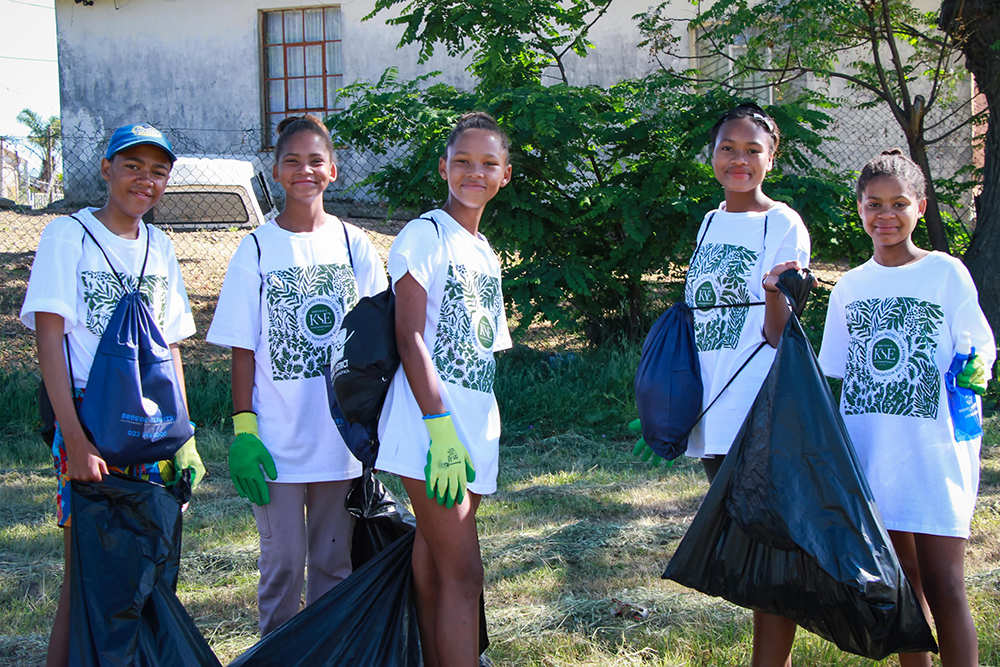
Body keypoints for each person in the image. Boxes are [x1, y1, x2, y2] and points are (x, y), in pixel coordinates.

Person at [630, 102, 811, 665]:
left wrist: (780, 293)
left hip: (756, 407)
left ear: (771, 159)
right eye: (728, 148)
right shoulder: (710, 220)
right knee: (746, 543)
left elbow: (780, 336)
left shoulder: (781, 223)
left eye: (753, 150)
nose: (739, 159)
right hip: (712, 409)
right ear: (711, 156)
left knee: (768, 546)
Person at [19, 123, 202, 667]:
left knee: (147, 571)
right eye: (132, 166)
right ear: (106, 169)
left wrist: (184, 437)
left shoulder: (162, 246)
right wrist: (74, 438)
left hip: (150, 427)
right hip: (90, 421)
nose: (145, 180)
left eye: (158, 171)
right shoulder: (67, 236)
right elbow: (49, 336)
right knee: (88, 573)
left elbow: (170, 346)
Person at [206, 114, 387, 636]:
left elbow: (379, 343)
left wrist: (377, 424)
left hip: (340, 444)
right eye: (292, 161)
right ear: (277, 171)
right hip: (277, 444)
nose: (304, 170)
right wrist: (245, 428)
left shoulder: (356, 246)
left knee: (333, 567)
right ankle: (278, 652)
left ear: (332, 170)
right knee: (282, 567)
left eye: (315, 160)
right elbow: (243, 348)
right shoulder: (257, 249)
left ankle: (325, 652)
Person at [818, 150, 994, 667]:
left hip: (935, 453)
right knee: (901, 582)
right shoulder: (850, 287)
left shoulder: (945, 273)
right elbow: (840, 373)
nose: (886, 215)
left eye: (899, 203)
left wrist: (976, 369)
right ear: (859, 210)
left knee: (945, 583)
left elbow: (981, 348)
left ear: (919, 207)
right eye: (874, 204)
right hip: (876, 457)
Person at [375, 111, 512, 667]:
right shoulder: (425, 234)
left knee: (433, 568)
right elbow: (409, 338)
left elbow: (479, 351)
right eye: (462, 161)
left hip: (474, 430)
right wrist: (440, 428)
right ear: (443, 168)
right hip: (433, 433)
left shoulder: (484, 251)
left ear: (506, 174)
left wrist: (471, 432)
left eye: (487, 163)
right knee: (465, 573)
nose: (473, 172)